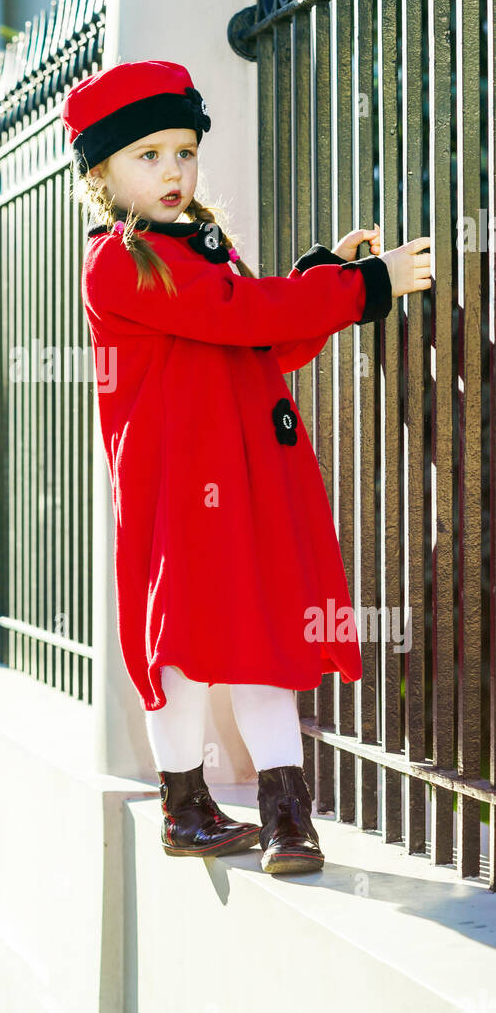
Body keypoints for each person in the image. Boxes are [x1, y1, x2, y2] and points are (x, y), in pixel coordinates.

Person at [62, 59, 432, 875]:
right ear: (102, 174)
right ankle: (185, 808)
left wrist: (327, 280)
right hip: (179, 495)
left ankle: (287, 818)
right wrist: (364, 285)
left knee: (263, 638)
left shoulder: (200, 244)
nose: (172, 170)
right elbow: (236, 314)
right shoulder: (117, 262)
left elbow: (267, 336)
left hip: (251, 482)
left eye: (183, 151)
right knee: (184, 653)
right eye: (147, 155)